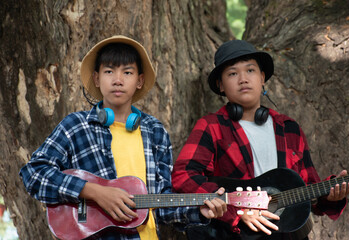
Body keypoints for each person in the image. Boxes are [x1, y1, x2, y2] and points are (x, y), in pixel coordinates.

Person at [19, 35, 227, 240]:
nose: (118, 80)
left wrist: (199, 211)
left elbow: (161, 207)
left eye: (127, 72)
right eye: (109, 71)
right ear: (97, 78)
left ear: (139, 80)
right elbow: (34, 173)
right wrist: (94, 192)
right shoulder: (76, 126)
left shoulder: (155, 131)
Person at [171, 39, 349, 240]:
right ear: (221, 85)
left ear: (262, 78)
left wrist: (330, 196)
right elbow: (183, 176)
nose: (243, 79)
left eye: (250, 71)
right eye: (232, 73)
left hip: (288, 234)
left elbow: (309, 190)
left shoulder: (289, 128)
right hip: (237, 234)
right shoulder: (211, 126)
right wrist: (235, 209)